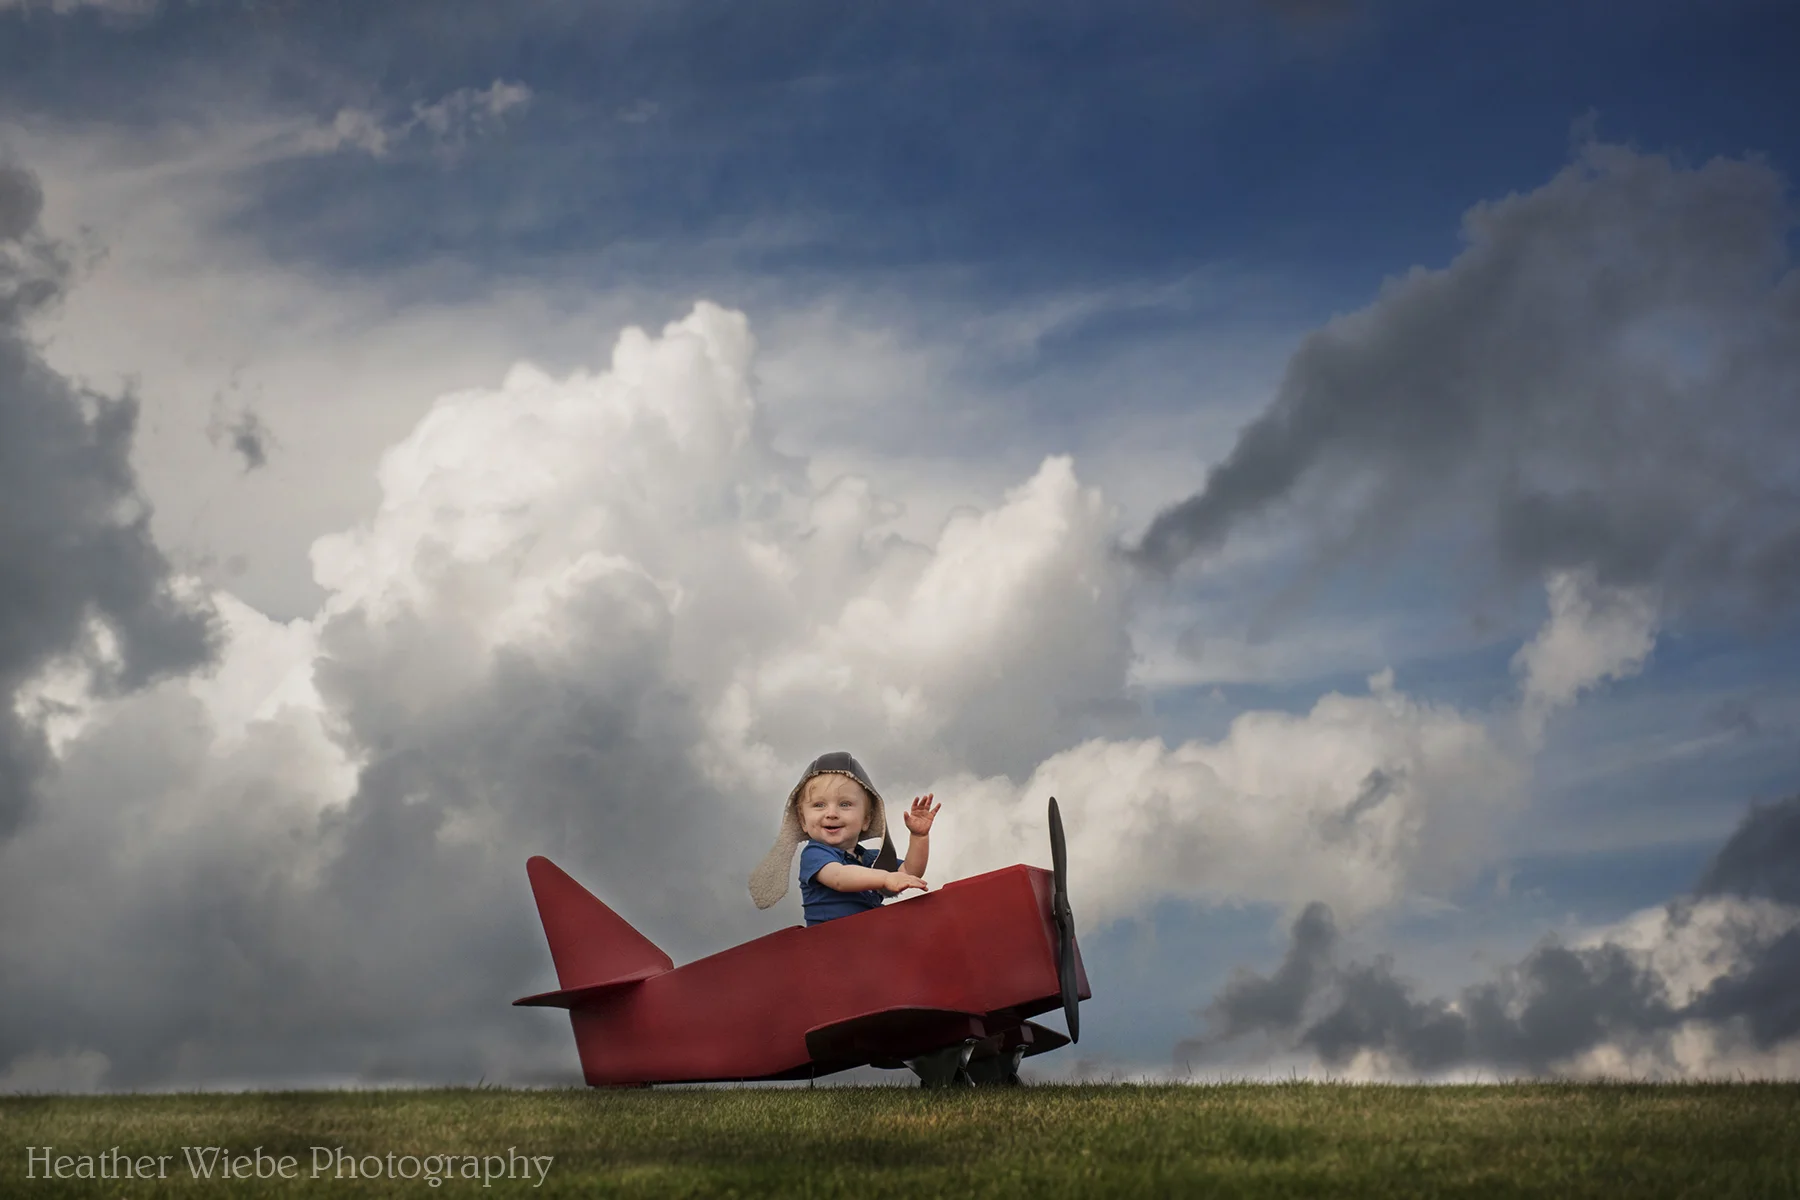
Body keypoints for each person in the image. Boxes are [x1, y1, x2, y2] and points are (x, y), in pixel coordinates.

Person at [747, 751, 941, 926]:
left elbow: (909, 872)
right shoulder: (815, 854)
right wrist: (885, 878)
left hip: (866, 941)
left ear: (866, 819)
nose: (831, 813)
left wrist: (918, 836)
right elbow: (839, 877)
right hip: (831, 946)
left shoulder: (868, 859)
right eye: (819, 805)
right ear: (803, 821)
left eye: (845, 804)